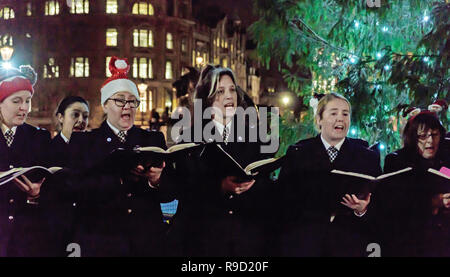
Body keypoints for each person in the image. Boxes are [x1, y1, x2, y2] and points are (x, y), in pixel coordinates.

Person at [61, 57, 176, 256]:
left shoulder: (153, 139)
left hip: (147, 241)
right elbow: (75, 190)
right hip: (102, 241)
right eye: (120, 100)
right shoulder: (85, 142)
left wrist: (156, 180)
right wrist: (119, 179)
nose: (127, 106)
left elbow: (171, 192)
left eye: (132, 101)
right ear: (105, 105)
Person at [169, 65, 278, 256]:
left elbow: (268, 185)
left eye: (232, 89)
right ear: (208, 99)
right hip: (204, 240)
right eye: (220, 91)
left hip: (247, 240)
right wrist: (219, 187)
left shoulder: (257, 136)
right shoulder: (190, 138)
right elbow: (184, 188)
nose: (229, 96)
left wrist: (254, 185)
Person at [278, 92, 381, 257]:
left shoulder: (367, 157)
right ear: (319, 119)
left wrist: (363, 210)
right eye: (333, 113)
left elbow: (380, 204)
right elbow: (283, 204)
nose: (340, 118)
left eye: (345, 114)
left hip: (349, 245)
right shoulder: (299, 154)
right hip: (306, 244)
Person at [376, 109, 450, 256]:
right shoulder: (398, 161)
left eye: (434, 135)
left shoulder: (445, 160)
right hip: (411, 242)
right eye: (423, 136)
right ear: (413, 137)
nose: (430, 140)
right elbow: (394, 205)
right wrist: (434, 202)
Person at [0, 64, 52, 256]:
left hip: (26, 241)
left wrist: (36, 195)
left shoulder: (40, 138)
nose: (24, 108)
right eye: (16, 101)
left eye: (28, 101)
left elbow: (57, 192)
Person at [49, 96, 90, 167]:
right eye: (75, 114)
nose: (81, 120)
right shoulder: (48, 150)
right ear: (60, 117)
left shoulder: (94, 149)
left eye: (85, 116)